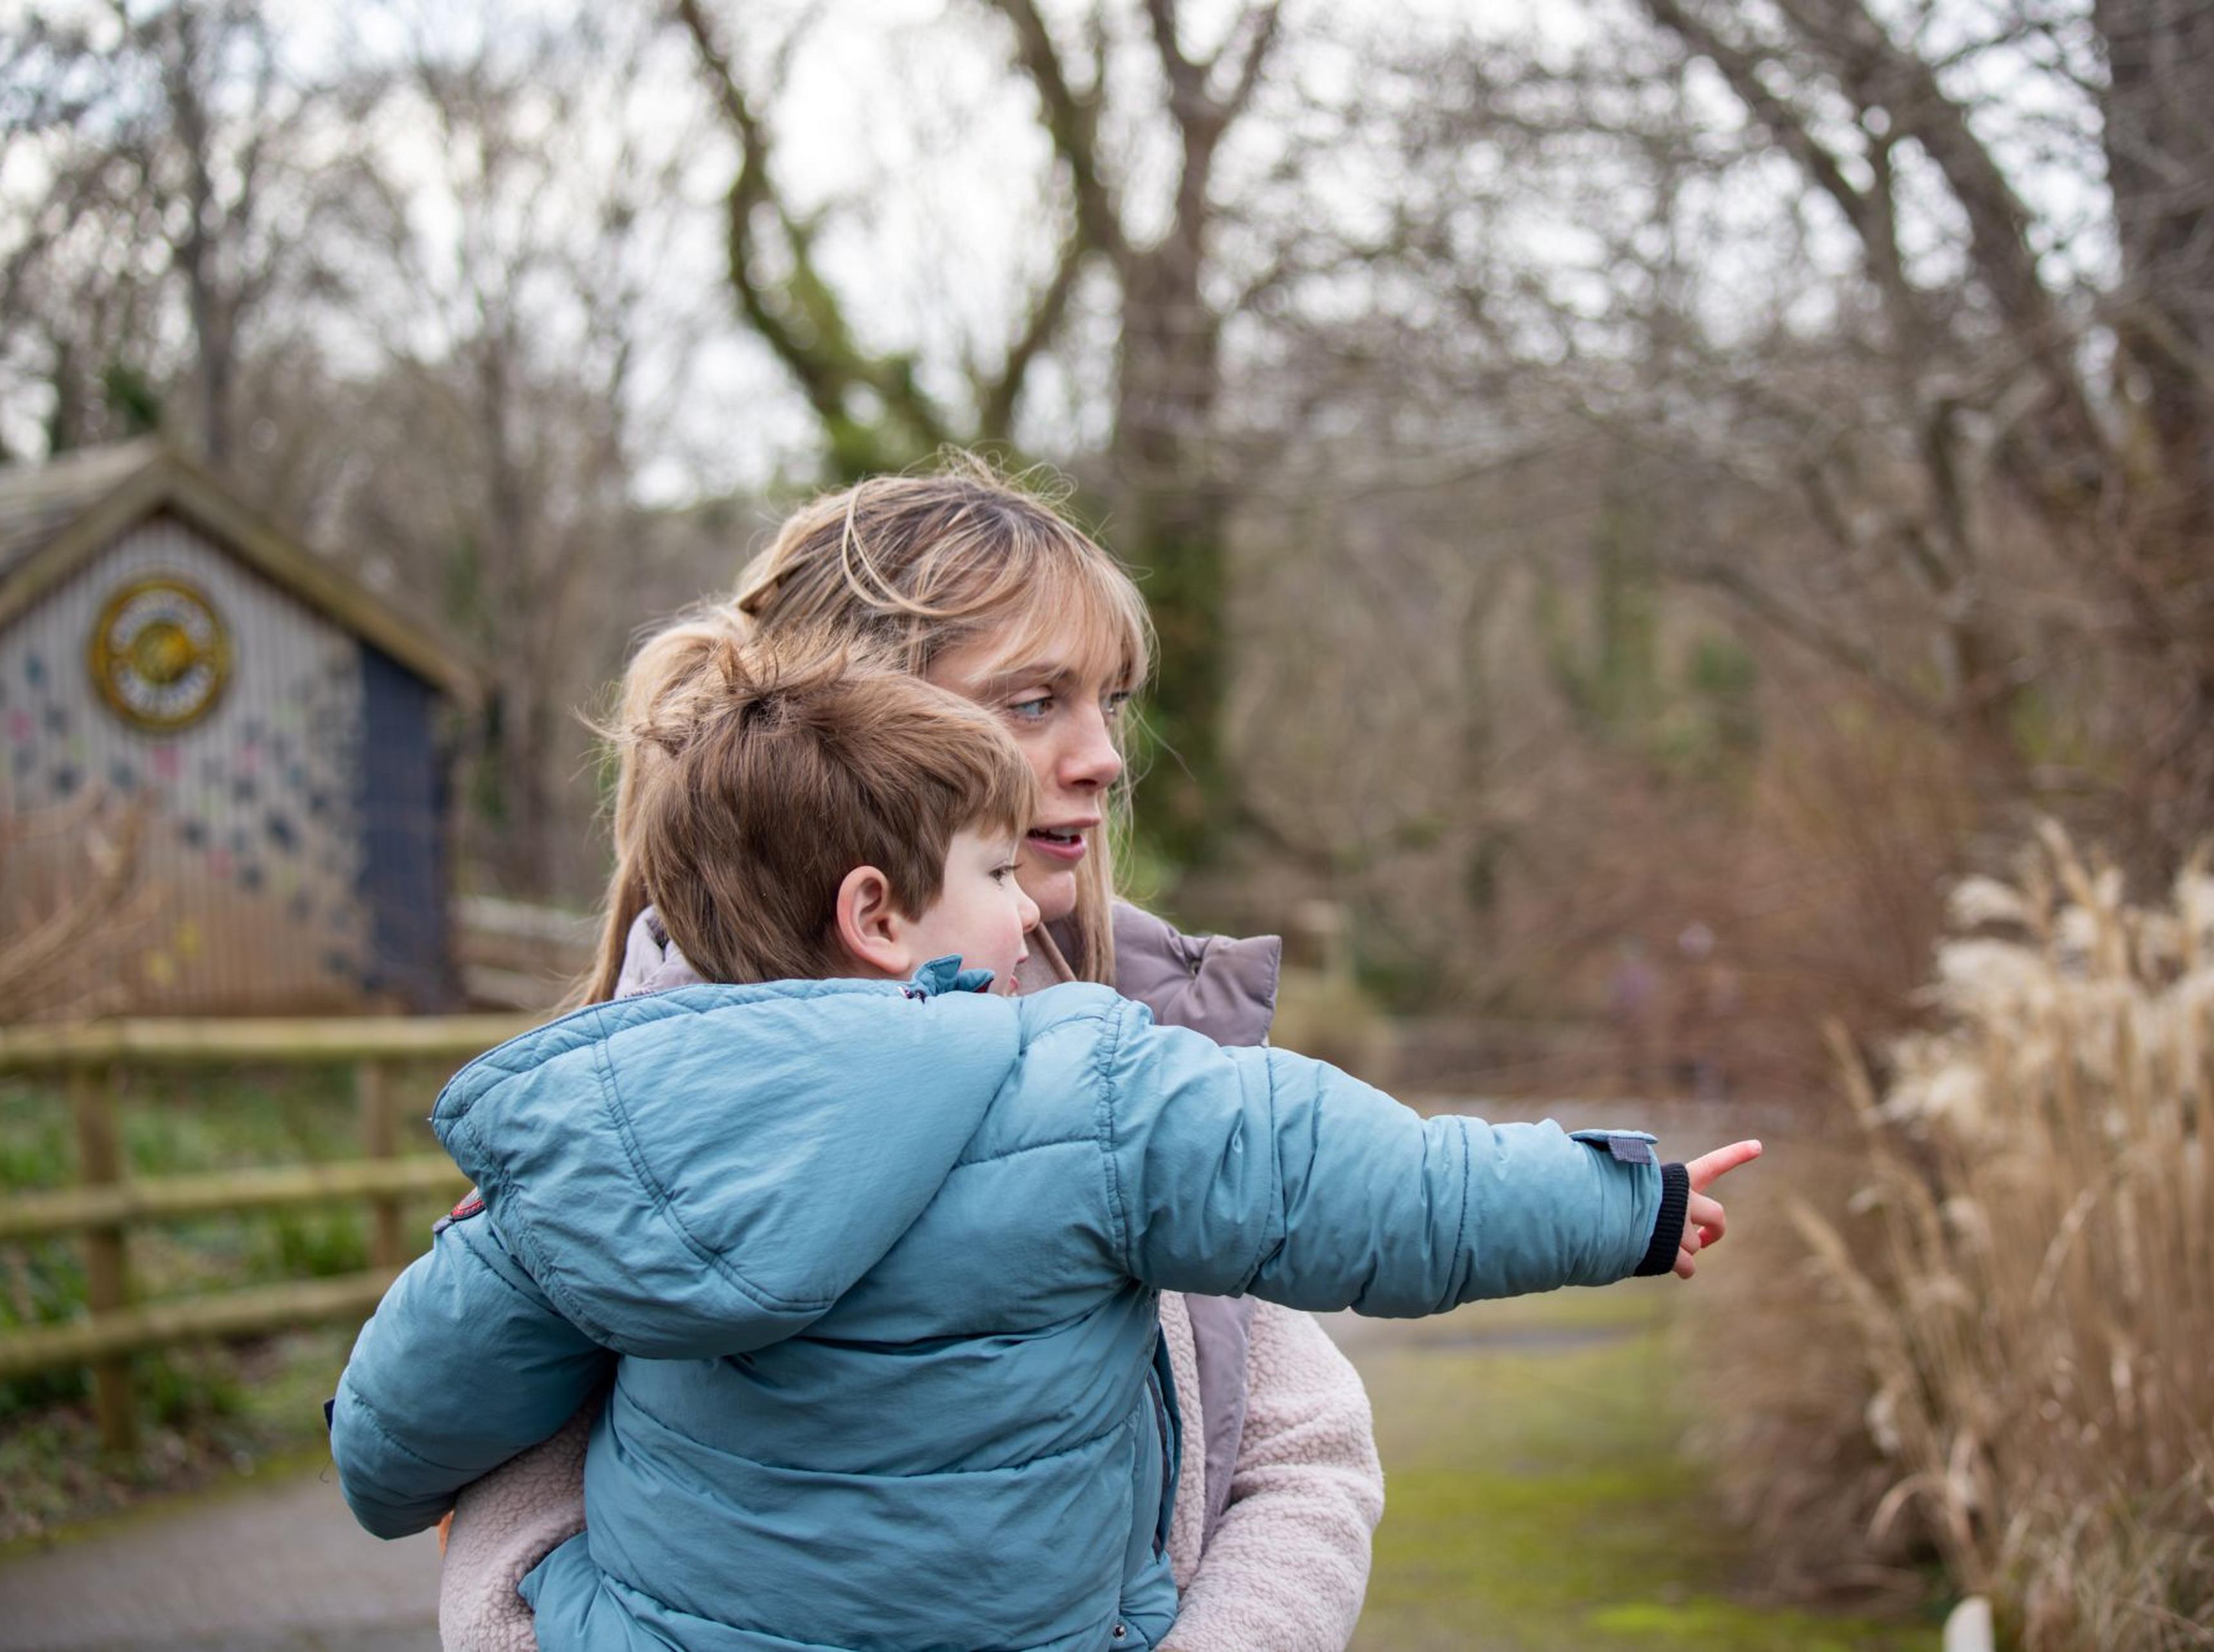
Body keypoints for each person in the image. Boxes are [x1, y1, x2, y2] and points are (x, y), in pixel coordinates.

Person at [330, 642, 1758, 1652]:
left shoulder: (599, 1141)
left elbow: (394, 1440)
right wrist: (1622, 1205)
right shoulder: (1082, 1076)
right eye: (999, 872)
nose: (1030, 915)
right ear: (879, 911)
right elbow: (1367, 1183)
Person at [434, 460, 1368, 1652]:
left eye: (1109, 702)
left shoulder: (1135, 1051)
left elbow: (1303, 1449)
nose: (1105, 757)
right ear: (858, 727)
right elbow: (500, 1500)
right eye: (1035, 703)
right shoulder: (631, 1101)